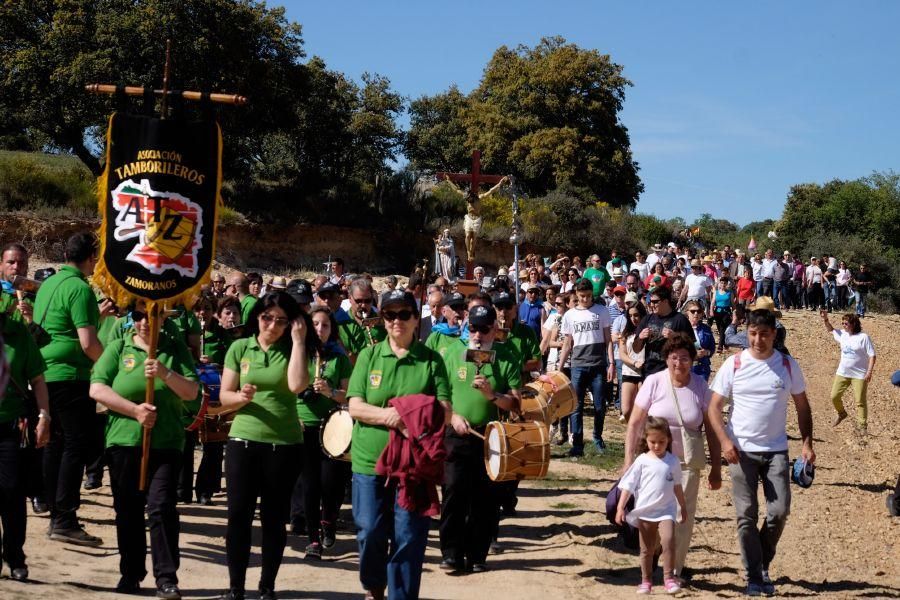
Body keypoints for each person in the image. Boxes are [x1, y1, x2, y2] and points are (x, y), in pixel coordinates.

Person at [347, 289, 451, 600]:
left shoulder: (431, 360)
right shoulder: (369, 356)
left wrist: (411, 415)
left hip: (414, 465)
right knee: (369, 530)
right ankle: (375, 586)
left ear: (416, 319)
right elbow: (355, 406)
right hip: (369, 460)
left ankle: (402, 596)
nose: (396, 321)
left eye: (404, 314)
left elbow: (444, 411)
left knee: (409, 535)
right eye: (390, 315)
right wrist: (393, 416)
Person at [89, 306, 199, 598]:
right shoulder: (117, 347)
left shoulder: (175, 348)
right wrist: (134, 410)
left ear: (162, 318)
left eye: (151, 316)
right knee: (128, 510)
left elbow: (191, 392)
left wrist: (164, 372)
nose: (143, 322)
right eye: (138, 316)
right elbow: (97, 389)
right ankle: (131, 573)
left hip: (166, 443)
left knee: (161, 507)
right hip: (124, 441)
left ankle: (166, 576)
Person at [707, 309, 814, 597]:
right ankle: (755, 575)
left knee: (779, 512)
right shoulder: (735, 364)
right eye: (753, 333)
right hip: (740, 452)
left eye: (764, 334)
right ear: (747, 332)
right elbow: (713, 408)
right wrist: (725, 443)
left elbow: (803, 407)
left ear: (774, 334)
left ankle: (761, 562)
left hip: (776, 450)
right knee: (746, 515)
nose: (757, 339)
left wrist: (807, 444)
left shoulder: (787, 365)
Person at [215, 292, 310, 600]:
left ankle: (267, 586)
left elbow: (297, 385)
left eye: (281, 320)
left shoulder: (294, 347)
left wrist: (297, 341)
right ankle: (235, 587)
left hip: (283, 444)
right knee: (238, 515)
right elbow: (223, 397)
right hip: (244, 439)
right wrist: (240, 397)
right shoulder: (240, 347)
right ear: (256, 316)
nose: (272, 325)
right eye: (267, 317)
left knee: (273, 517)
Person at [624, 333, 721, 581]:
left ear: (693, 360)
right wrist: (628, 461)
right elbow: (635, 423)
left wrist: (716, 467)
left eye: (685, 358)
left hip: (687, 463)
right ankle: (655, 553)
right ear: (667, 359)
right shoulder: (654, 382)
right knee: (653, 515)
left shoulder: (700, 385)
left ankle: (673, 571)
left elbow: (711, 427)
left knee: (681, 517)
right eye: (674, 358)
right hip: (654, 462)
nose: (679, 363)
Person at [32, 232, 105, 546]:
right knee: (76, 445)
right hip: (71, 376)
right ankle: (65, 517)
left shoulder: (49, 283)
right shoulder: (81, 288)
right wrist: (109, 367)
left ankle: (54, 511)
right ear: (91, 258)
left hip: (44, 373)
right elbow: (88, 344)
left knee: (55, 445)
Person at [438, 304, 520, 573]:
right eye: (473, 327)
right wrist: (452, 417)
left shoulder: (506, 356)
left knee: (485, 498)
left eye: (484, 329)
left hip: (490, 434)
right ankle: (451, 553)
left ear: (494, 330)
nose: (477, 334)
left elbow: (516, 403)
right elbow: (440, 396)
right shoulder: (452, 354)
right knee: (453, 491)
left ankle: (477, 554)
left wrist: (492, 395)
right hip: (457, 431)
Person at [293, 306, 353, 559]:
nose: (320, 329)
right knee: (309, 484)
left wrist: (330, 392)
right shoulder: (298, 354)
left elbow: (348, 396)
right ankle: (313, 538)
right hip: (303, 425)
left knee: (331, 483)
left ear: (332, 329)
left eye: (325, 325)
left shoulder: (339, 359)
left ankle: (328, 519)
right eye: (315, 324)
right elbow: (287, 388)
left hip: (331, 427)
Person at [0, 299, 50, 581]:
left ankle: (15, 556)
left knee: (11, 492)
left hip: (10, 425)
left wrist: (44, 416)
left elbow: (38, 379)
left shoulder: (19, 334)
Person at [616, 417, 687, 595]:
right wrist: (620, 507)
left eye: (661, 442)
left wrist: (683, 506)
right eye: (652, 442)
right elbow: (628, 486)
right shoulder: (642, 461)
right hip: (646, 511)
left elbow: (677, 485)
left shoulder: (673, 461)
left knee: (669, 541)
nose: (657, 446)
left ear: (668, 439)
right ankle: (646, 581)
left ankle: (669, 578)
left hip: (666, 511)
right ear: (646, 440)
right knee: (646, 550)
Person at [556, 279, 615, 456]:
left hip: (598, 364)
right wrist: (560, 367)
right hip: (578, 365)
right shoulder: (570, 315)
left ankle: (598, 438)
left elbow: (608, 339)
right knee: (576, 406)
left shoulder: (601, 311)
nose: (585, 299)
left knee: (599, 406)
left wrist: (611, 363)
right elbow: (567, 343)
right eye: (582, 296)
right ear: (576, 294)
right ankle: (577, 443)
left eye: (588, 296)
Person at [821, 312, 875, 433]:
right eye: (842, 323)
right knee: (834, 396)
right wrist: (825, 319)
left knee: (860, 401)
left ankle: (862, 426)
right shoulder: (843, 334)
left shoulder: (863, 337)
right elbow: (831, 330)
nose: (844, 325)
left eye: (846, 323)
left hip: (859, 374)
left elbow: (872, 355)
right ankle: (842, 413)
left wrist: (869, 372)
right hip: (843, 372)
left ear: (854, 324)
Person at [631, 286, 693, 377]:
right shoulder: (647, 319)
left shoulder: (680, 319)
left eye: (655, 302)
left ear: (666, 301)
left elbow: (691, 348)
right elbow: (636, 349)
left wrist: (675, 337)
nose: (652, 305)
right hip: (650, 372)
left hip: (672, 372)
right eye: (650, 301)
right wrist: (640, 338)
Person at [618, 300, 647, 422]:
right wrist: (634, 363)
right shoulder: (626, 333)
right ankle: (633, 431)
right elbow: (622, 354)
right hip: (629, 372)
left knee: (644, 409)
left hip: (644, 373)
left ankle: (643, 436)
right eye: (630, 316)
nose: (633, 318)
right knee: (626, 410)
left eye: (636, 315)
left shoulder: (647, 331)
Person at [683, 301, 715, 381]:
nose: (696, 313)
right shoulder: (681, 328)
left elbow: (712, 348)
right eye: (693, 311)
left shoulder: (706, 329)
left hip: (702, 369)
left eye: (699, 311)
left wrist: (706, 352)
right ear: (687, 312)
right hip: (685, 368)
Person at [711, 278, 734, 354]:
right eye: (721, 283)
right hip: (717, 312)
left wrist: (734, 313)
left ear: (727, 284)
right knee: (720, 328)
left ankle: (720, 346)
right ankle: (725, 344)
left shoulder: (730, 293)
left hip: (726, 312)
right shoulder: (716, 292)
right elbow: (713, 302)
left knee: (722, 328)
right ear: (719, 284)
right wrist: (711, 310)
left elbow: (733, 304)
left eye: (724, 283)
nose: (723, 285)